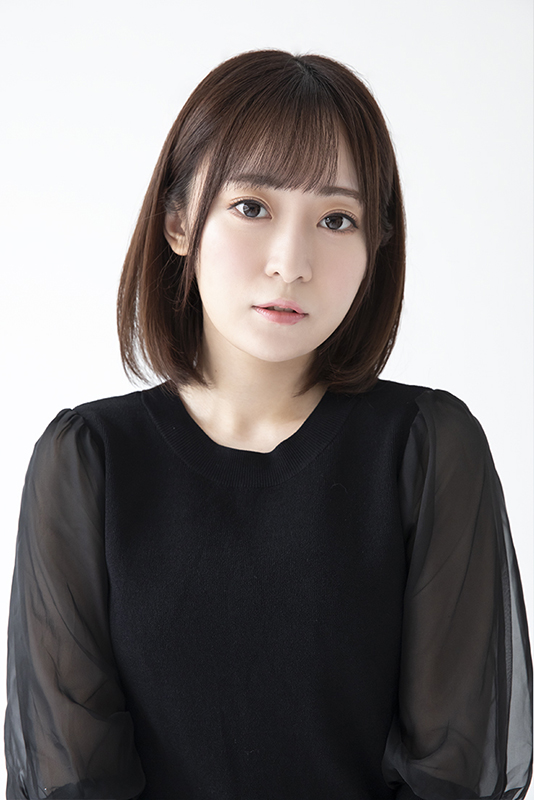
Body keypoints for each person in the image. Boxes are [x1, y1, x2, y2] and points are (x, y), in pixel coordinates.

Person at [4, 49, 532, 800]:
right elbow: (74, 775)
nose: (292, 262)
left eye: (336, 219)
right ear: (179, 221)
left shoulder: (427, 449)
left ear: (376, 245)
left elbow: (452, 770)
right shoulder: (87, 461)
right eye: (252, 207)